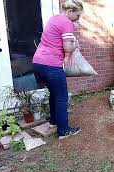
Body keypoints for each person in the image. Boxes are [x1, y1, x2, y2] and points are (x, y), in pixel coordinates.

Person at [33, 0, 83, 140]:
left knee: (54, 94)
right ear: (70, 12)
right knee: (62, 97)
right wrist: (75, 45)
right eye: (77, 16)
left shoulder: (54, 18)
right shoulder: (67, 22)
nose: (78, 19)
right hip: (51, 65)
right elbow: (67, 47)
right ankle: (63, 131)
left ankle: (54, 122)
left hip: (38, 62)